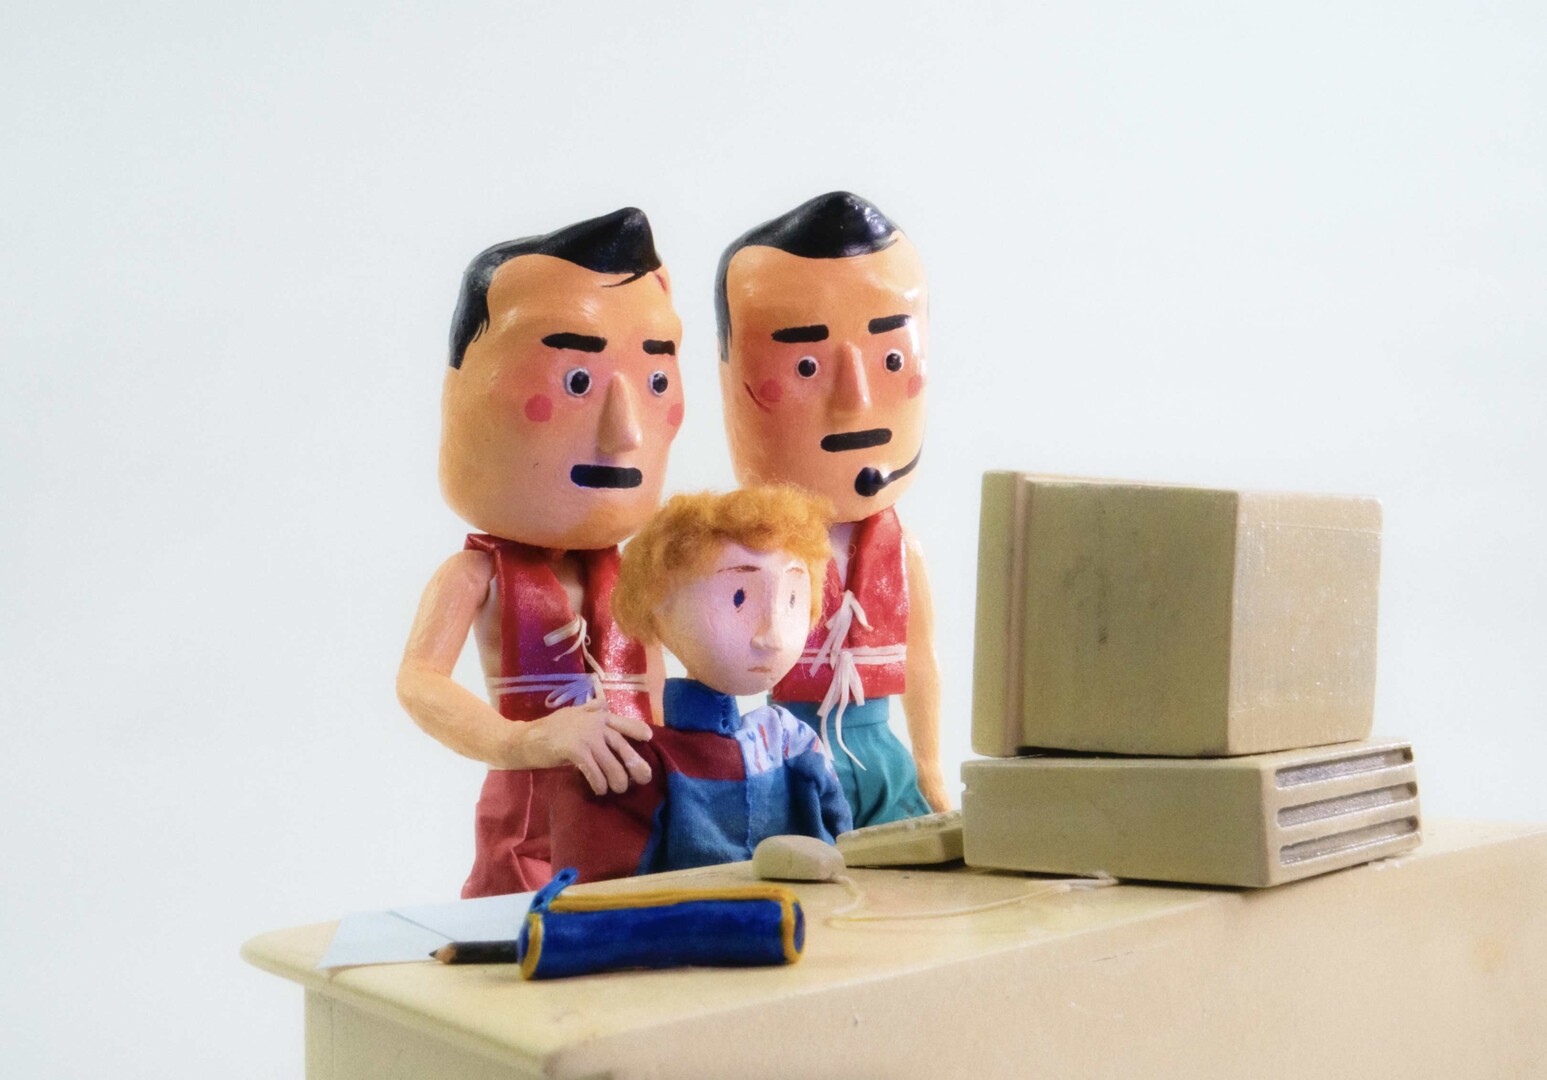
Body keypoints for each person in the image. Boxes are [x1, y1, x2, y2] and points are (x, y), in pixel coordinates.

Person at [397, 208, 685, 897]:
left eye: (655, 382)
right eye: (576, 382)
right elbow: (419, 682)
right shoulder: (476, 576)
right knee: (515, 934)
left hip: (644, 800)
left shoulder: (638, 573)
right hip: (532, 812)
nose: (624, 432)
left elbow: (671, 673)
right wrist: (523, 743)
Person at [713, 191, 948, 826]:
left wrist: (929, 764)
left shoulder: (901, 552)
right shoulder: (744, 548)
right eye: (806, 365)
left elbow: (920, 661)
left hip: (882, 750)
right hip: (786, 747)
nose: (855, 400)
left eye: (892, 359)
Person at [548, 486, 853, 883]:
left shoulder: (793, 744)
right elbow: (599, 898)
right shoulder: (640, 764)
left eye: (793, 600)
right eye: (739, 598)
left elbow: (842, 849)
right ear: (658, 606)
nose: (773, 636)